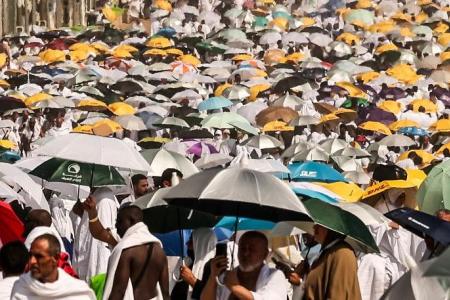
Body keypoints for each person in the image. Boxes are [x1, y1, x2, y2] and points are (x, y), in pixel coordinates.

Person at [82, 198, 170, 300]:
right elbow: (165, 292)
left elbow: (119, 291)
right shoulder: (158, 249)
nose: (116, 225)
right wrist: (92, 213)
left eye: (119, 221)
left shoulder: (127, 251)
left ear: (132, 221)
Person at [201, 231, 288, 300]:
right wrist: (213, 277)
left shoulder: (275, 276)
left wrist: (235, 287)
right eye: (242, 248)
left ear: (265, 254)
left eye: (252, 249)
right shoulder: (228, 276)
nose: (246, 253)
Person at [10, 234, 96, 300]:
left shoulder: (78, 292)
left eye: (39, 256)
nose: (32, 261)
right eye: (30, 255)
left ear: (56, 258)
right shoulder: (21, 287)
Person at [302, 224, 361, 300]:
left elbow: (339, 295)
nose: (314, 227)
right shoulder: (327, 253)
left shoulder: (342, 253)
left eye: (319, 225)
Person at [72, 187, 119, 281]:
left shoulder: (105, 198)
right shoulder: (94, 196)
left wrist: (92, 213)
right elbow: (88, 226)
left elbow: (103, 231)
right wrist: (82, 212)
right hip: (86, 257)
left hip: (99, 261)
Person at [171, 228, 217, 299]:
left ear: (201, 243)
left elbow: (212, 296)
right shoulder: (187, 262)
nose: (187, 244)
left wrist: (192, 280)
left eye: (191, 241)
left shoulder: (214, 268)